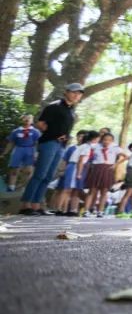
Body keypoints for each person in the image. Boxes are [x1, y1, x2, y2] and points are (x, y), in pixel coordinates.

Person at [20, 83, 84, 215]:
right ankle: (26, 205)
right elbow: (40, 124)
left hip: (61, 146)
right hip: (49, 143)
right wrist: (53, 135)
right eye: (74, 92)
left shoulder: (71, 110)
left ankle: (36, 205)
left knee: (48, 176)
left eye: (79, 93)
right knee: (40, 174)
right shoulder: (54, 106)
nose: (76, 95)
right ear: (66, 92)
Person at [83, 131, 128, 217]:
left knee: (104, 191)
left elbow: (126, 156)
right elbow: (88, 156)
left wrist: (115, 164)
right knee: (92, 190)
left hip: (108, 169)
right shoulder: (95, 147)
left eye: (109, 140)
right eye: (104, 140)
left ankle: (100, 211)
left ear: (112, 141)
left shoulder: (115, 148)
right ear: (101, 140)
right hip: (97, 168)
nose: (106, 141)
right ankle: (86, 210)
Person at [54, 130, 87, 216]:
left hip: (81, 171)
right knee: (65, 190)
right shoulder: (72, 148)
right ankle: (60, 208)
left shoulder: (87, 148)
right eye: (79, 136)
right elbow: (65, 160)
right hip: (70, 169)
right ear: (77, 137)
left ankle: (73, 209)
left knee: (76, 191)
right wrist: (62, 170)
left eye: (83, 136)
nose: (81, 138)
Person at [4, 114, 41, 192]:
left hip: (30, 150)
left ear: (32, 120)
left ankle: (22, 188)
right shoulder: (16, 131)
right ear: (22, 119)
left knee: (28, 171)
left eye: (29, 118)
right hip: (18, 149)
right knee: (14, 169)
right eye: (25, 118)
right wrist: (5, 153)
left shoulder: (35, 132)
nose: (27, 120)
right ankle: (11, 187)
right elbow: (11, 143)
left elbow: (38, 143)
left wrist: (37, 153)